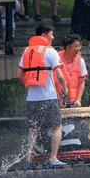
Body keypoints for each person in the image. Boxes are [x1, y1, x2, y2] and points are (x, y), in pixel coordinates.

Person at [18, 25, 69, 168]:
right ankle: (53, 159)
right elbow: (59, 76)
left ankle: (28, 160)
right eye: (51, 34)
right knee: (57, 126)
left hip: (31, 99)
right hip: (48, 97)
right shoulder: (50, 51)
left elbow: (19, 74)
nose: (53, 37)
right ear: (44, 35)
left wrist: (28, 85)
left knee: (33, 129)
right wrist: (64, 90)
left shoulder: (27, 51)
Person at [54, 34, 88, 107]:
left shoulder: (81, 61)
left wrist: (78, 99)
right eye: (76, 46)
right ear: (67, 47)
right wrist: (59, 99)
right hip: (56, 100)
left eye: (79, 46)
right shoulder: (55, 59)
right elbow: (51, 82)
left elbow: (82, 81)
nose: (79, 48)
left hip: (74, 101)